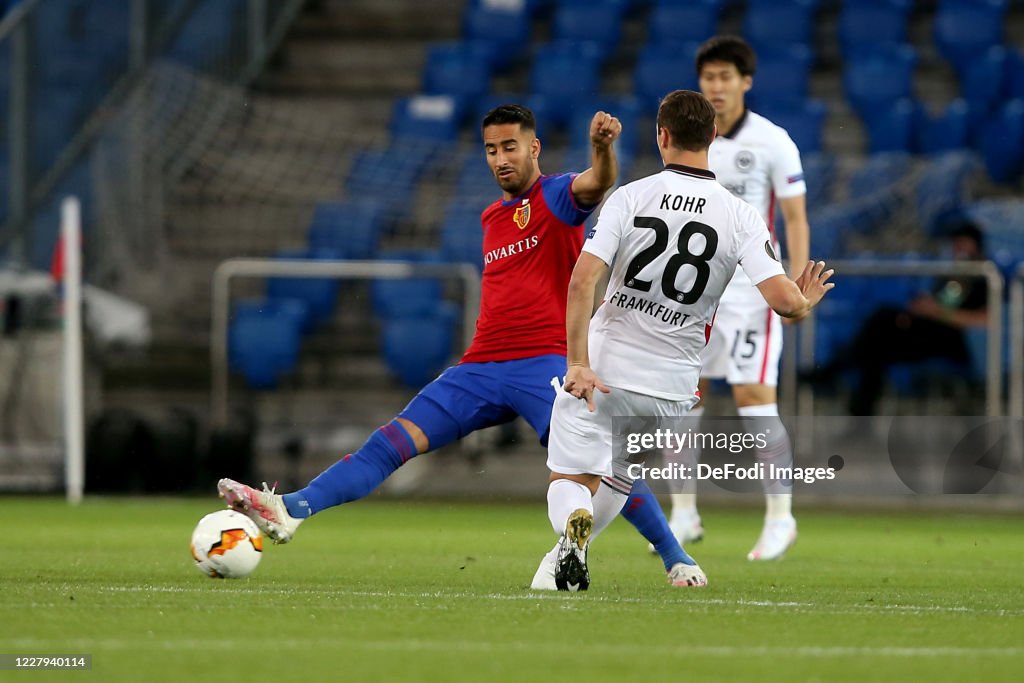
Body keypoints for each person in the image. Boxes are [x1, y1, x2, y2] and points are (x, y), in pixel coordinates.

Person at [217, 104, 698, 585]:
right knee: (393, 441)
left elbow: (598, 182)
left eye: (510, 147)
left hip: (544, 366)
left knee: (602, 463)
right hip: (480, 368)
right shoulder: (492, 217)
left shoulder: (556, 195)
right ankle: (290, 509)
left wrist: (601, 149)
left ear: (534, 148)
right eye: (491, 150)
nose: (500, 159)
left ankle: (675, 556)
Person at [542, 89, 834, 591]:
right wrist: (806, 300)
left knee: (569, 478)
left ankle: (573, 528)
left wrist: (577, 362)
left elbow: (582, 280)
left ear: (662, 136)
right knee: (618, 474)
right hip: (673, 390)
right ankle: (560, 567)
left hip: (608, 370)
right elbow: (785, 302)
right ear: (713, 137)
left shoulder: (630, 197)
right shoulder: (740, 214)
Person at [658, 36, 813, 561]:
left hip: (750, 294)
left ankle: (780, 518)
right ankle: (682, 514)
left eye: (726, 78)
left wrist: (791, 288)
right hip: (693, 295)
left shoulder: (773, 142)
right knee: (682, 397)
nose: (717, 87)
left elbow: (793, 219)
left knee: (753, 398)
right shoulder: (690, 141)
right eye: (709, 78)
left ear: (746, 81)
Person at [811, 222, 989, 416]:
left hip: (955, 342)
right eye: (956, 245)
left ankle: (833, 372)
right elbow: (939, 304)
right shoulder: (951, 277)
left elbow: (985, 319)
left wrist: (936, 311)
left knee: (880, 327)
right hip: (928, 333)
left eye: (963, 244)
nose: (958, 250)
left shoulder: (986, 278)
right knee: (877, 346)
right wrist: (921, 310)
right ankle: (856, 411)